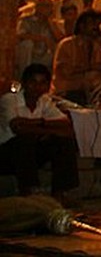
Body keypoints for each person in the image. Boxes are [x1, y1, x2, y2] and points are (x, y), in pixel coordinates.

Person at [0, 64, 79, 202]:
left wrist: (40, 123)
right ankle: (30, 191)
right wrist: (46, 128)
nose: (37, 87)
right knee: (25, 139)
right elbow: (16, 127)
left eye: (42, 83)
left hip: (32, 152)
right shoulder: (9, 100)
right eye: (33, 82)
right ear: (24, 83)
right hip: (7, 153)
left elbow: (66, 125)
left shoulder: (45, 101)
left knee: (63, 140)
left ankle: (60, 192)